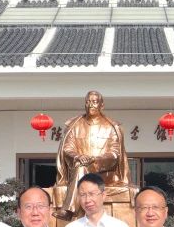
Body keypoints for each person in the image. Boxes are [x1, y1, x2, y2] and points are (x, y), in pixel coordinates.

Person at [52, 90, 135, 220]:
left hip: (104, 173)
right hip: (79, 168)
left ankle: (69, 210)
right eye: (88, 102)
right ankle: (73, 210)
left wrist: (95, 160)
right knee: (81, 168)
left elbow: (115, 154)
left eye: (95, 102)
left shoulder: (111, 127)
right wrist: (78, 156)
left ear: (102, 105)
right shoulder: (75, 125)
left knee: (81, 168)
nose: (91, 105)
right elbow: (67, 148)